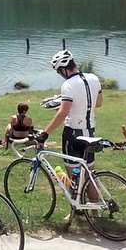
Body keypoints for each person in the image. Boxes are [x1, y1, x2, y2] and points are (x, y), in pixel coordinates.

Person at [36, 50, 102, 222]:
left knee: (73, 176)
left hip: (73, 133)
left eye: (59, 71)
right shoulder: (93, 78)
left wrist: (45, 134)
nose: (59, 75)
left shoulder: (68, 85)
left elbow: (62, 112)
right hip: (90, 130)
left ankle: (74, 212)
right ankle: (95, 213)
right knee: (89, 175)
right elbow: (99, 103)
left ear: (64, 69)